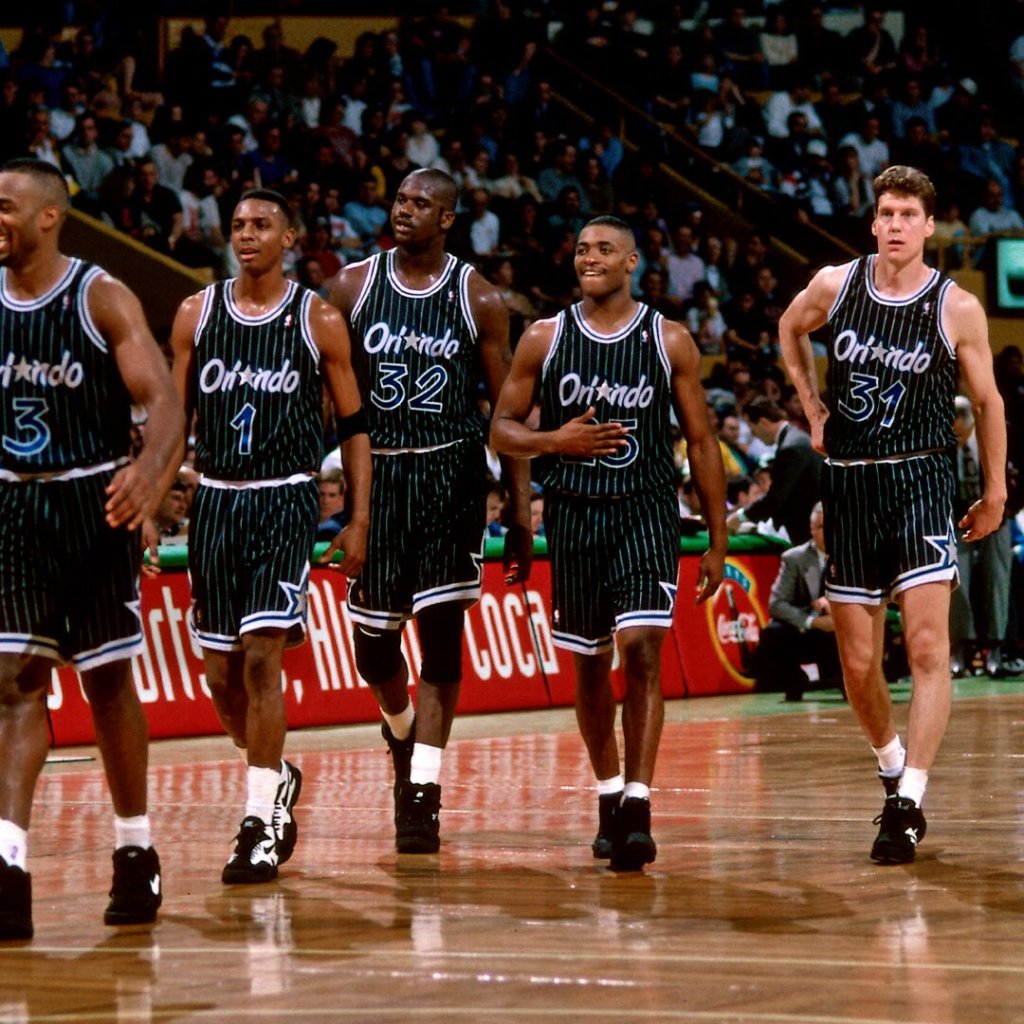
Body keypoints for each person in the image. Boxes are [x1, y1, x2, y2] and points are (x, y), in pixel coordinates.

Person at [778, 165, 1007, 864]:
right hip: (850, 484)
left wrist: (994, 492)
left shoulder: (956, 306)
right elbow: (789, 327)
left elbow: (989, 402)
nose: (896, 224)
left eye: (909, 214)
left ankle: (909, 799)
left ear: (929, 226)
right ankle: (890, 764)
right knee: (857, 663)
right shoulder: (836, 285)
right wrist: (812, 406)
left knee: (930, 648)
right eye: (887, 213)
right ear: (873, 222)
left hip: (921, 479)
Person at [490, 215, 727, 871]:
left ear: (631, 262)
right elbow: (501, 430)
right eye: (582, 249)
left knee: (643, 649)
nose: (589, 257)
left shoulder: (668, 339)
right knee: (590, 665)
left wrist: (717, 538)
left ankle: (639, 808)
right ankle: (608, 792)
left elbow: (702, 441)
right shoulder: (544, 337)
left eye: (604, 249)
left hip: (645, 512)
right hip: (574, 517)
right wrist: (554, 442)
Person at [0, 158, 184, 939]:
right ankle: (8, 862)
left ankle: (135, 847)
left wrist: (149, 472)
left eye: (4, 206)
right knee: (14, 681)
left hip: (93, 500)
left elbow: (163, 401)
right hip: (13, 503)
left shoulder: (99, 295)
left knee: (107, 684)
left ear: (49, 216)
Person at [327, 168, 532, 855]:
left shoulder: (479, 298)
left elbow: (507, 414)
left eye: (421, 203)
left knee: (441, 639)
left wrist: (521, 511)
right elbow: (326, 397)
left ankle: (423, 790)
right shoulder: (351, 287)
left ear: (447, 219)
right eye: (400, 200)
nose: (405, 210)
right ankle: (402, 729)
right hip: (377, 477)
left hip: (450, 474)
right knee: (373, 648)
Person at [170, 188, 370, 884]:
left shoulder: (318, 319)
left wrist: (358, 517)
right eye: (237, 225)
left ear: (289, 237)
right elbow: (172, 417)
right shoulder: (196, 313)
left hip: (286, 498)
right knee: (219, 676)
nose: (247, 234)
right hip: (215, 502)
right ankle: (276, 775)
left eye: (261, 224)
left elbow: (355, 427)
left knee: (261, 660)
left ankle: (257, 823)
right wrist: (152, 500)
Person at [754, 503, 841, 701]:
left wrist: (836, 606)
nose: (827, 532)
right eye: (821, 527)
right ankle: (795, 680)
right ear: (812, 531)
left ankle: (847, 680)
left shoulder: (853, 555)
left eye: (831, 526)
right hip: (809, 630)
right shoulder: (794, 558)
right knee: (772, 635)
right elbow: (776, 604)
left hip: (844, 627)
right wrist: (812, 622)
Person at [727, 396, 822, 543]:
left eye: (752, 429)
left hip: (808, 531)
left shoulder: (791, 447)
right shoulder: (794, 439)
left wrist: (739, 517)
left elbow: (776, 498)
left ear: (763, 422)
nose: (754, 435)